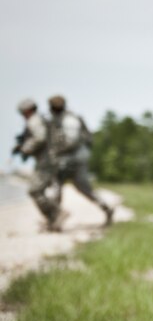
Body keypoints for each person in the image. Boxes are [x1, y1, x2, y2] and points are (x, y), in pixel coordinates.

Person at [47, 95, 114, 227]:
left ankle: (55, 218)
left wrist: (56, 151)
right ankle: (106, 209)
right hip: (75, 159)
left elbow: (71, 141)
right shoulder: (65, 119)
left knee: (59, 186)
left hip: (72, 159)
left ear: (54, 108)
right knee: (80, 188)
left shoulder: (69, 120)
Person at [13, 98, 65, 232]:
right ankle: (53, 220)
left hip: (46, 161)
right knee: (39, 190)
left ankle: (57, 214)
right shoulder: (40, 119)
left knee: (34, 190)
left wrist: (24, 148)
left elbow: (40, 137)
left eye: (22, 113)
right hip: (48, 159)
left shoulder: (34, 120)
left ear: (27, 110)